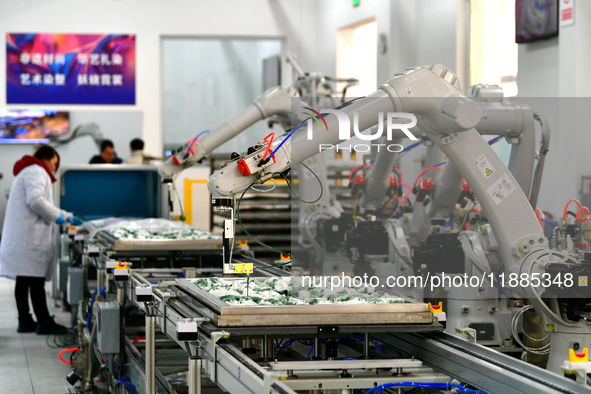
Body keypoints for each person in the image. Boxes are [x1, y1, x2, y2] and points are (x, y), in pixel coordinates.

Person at [0, 145, 83, 334]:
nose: (54, 168)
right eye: (55, 163)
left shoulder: (30, 171)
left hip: (25, 239)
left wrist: (65, 215)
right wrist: (60, 217)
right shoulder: (36, 171)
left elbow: (39, 202)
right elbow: (36, 200)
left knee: (24, 280)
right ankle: (43, 322)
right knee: (34, 281)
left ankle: (26, 321)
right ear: (46, 157)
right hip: (28, 240)